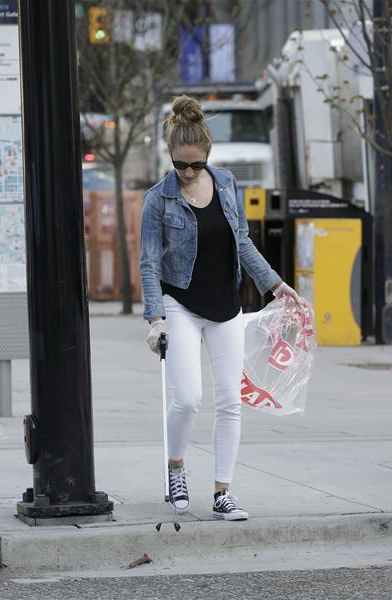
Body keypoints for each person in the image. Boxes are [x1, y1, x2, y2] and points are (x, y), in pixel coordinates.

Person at [140, 96, 303, 521]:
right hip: (180, 303)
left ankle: (223, 491)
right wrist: (155, 318)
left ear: (208, 156)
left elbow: (243, 243)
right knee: (189, 399)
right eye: (180, 165)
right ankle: (175, 469)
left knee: (230, 400)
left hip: (225, 306)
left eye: (195, 165)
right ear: (170, 155)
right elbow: (148, 261)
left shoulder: (227, 183)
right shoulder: (158, 199)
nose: (188, 173)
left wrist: (277, 285)